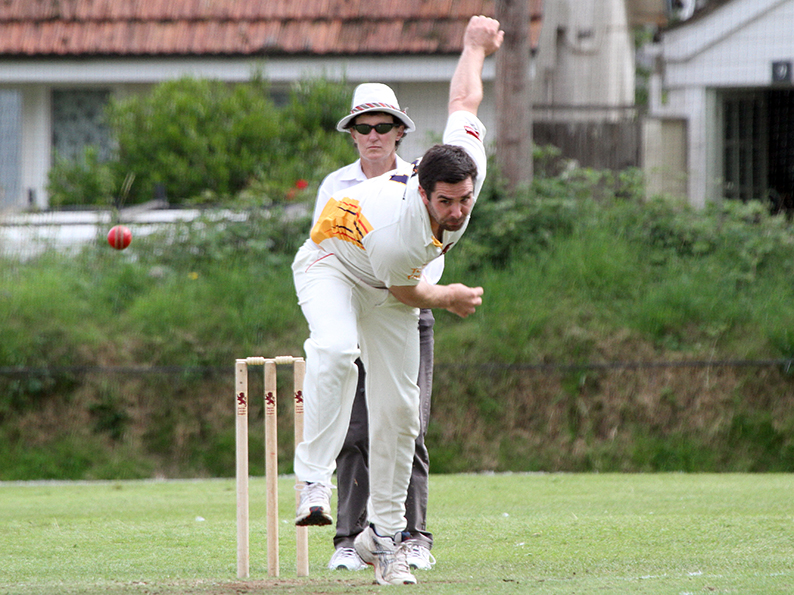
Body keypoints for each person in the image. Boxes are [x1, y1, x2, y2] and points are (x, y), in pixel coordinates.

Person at [292, 15, 503, 586]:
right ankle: (311, 477)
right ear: (422, 192)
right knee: (335, 350)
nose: (458, 212)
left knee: (400, 413)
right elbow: (409, 290)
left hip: (390, 286)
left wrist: (474, 46)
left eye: (464, 200)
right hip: (334, 266)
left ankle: (382, 540)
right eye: (446, 203)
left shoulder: (464, 165)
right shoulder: (399, 227)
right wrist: (452, 297)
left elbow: (464, 98)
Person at [313, 83, 441, 573]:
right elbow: (324, 253)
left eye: (382, 127)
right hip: (354, 314)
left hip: (408, 311)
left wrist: (404, 290)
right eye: (363, 128)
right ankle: (348, 538)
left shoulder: (419, 181)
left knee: (407, 423)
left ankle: (412, 538)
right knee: (353, 428)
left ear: (400, 130)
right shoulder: (335, 186)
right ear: (352, 134)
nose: (373, 136)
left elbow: (429, 255)